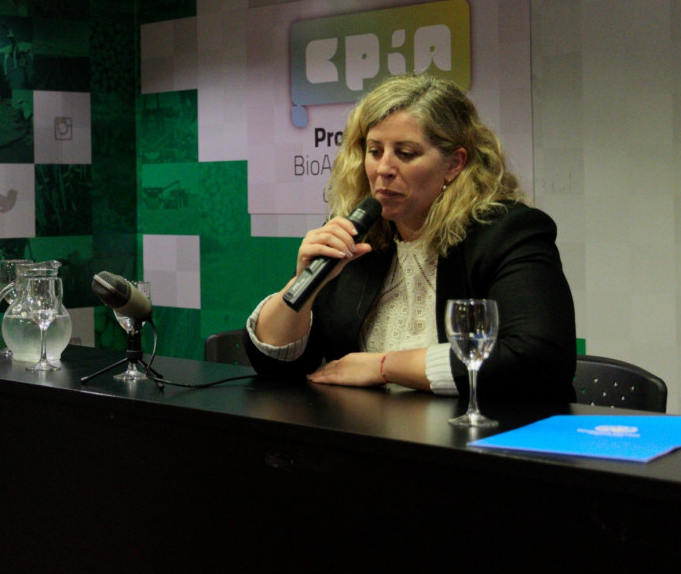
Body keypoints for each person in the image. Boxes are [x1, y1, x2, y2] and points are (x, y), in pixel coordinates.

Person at [245, 74, 575, 403]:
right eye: (374, 151)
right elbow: (274, 363)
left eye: (405, 153)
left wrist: (384, 366)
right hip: (362, 427)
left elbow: (537, 359)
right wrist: (305, 283)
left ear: (454, 164)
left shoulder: (507, 233)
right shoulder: (357, 234)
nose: (383, 169)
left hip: (478, 427)